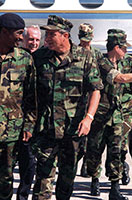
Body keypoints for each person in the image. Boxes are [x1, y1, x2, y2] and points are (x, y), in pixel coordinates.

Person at [31, 15, 103, 200]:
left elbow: (96, 90)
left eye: (51, 34)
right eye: (46, 34)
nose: (46, 38)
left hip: (73, 130)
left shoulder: (85, 57)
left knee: (67, 179)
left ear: (65, 35)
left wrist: (89, 118)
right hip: (46, 129)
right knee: (42, 182)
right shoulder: (40, 58)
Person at [86, 28, 132, 200]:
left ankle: (114, 187)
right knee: (95, 150)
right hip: (100, 116)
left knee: (117, 150)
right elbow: (121, 78)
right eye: (123, 47)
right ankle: (95, 178)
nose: (126, 51)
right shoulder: (101, 62)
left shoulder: (127, 62)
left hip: (117, 114)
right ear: (116, 47)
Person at [0, 13, 36, 200]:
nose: (22, 38)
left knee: (6, 178)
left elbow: (31, 98)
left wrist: (29, 126)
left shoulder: (24, 60)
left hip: (10, 132)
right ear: (4, 32)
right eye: (19, 33)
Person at [17, 25, 41, 200]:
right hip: (10, 120)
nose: (33, 43)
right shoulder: (15, 57)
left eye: (37, 40)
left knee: (29, 164)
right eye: (30, 39)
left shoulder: (42, 59)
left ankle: (23, 196)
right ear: (23, 39)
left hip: (32, 123)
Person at [78, 22, 104, 178]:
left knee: (92, 138)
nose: (85, 42)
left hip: (93, 99)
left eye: (88, 38)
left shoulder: (96, 54)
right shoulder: (74, 52)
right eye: (83, 38)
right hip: (78, 99)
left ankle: (86, 166)